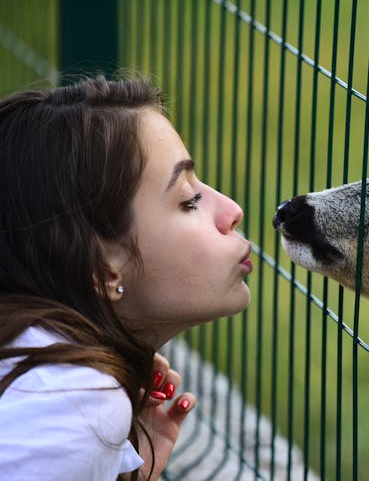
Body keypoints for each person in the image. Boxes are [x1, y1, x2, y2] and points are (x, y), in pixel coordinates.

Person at [0, 76, 253, 480]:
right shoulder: (81, 405)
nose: (232, 210)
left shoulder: (37, 362)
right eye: (188, 201)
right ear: (102, 269)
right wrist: (90, 444)